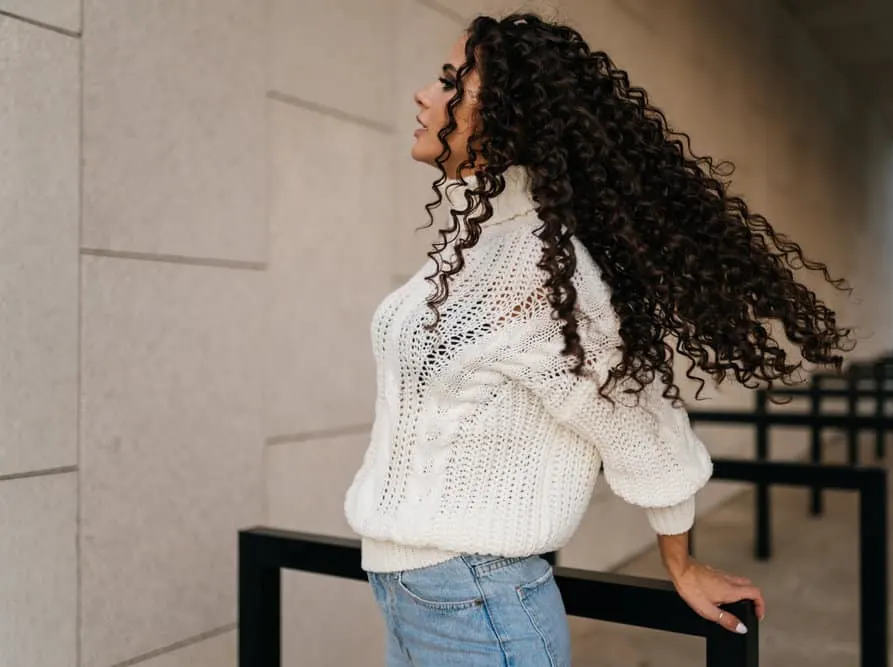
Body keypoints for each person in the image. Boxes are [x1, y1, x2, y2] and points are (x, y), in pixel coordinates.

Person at [344, 12, 852, 666]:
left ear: (508, 117)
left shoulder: (542, 268)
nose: (425, 95)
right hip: (415, 598)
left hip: (478, 610)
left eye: (452, 82)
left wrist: (681, 559)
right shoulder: (482, 246)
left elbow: (639, 417)